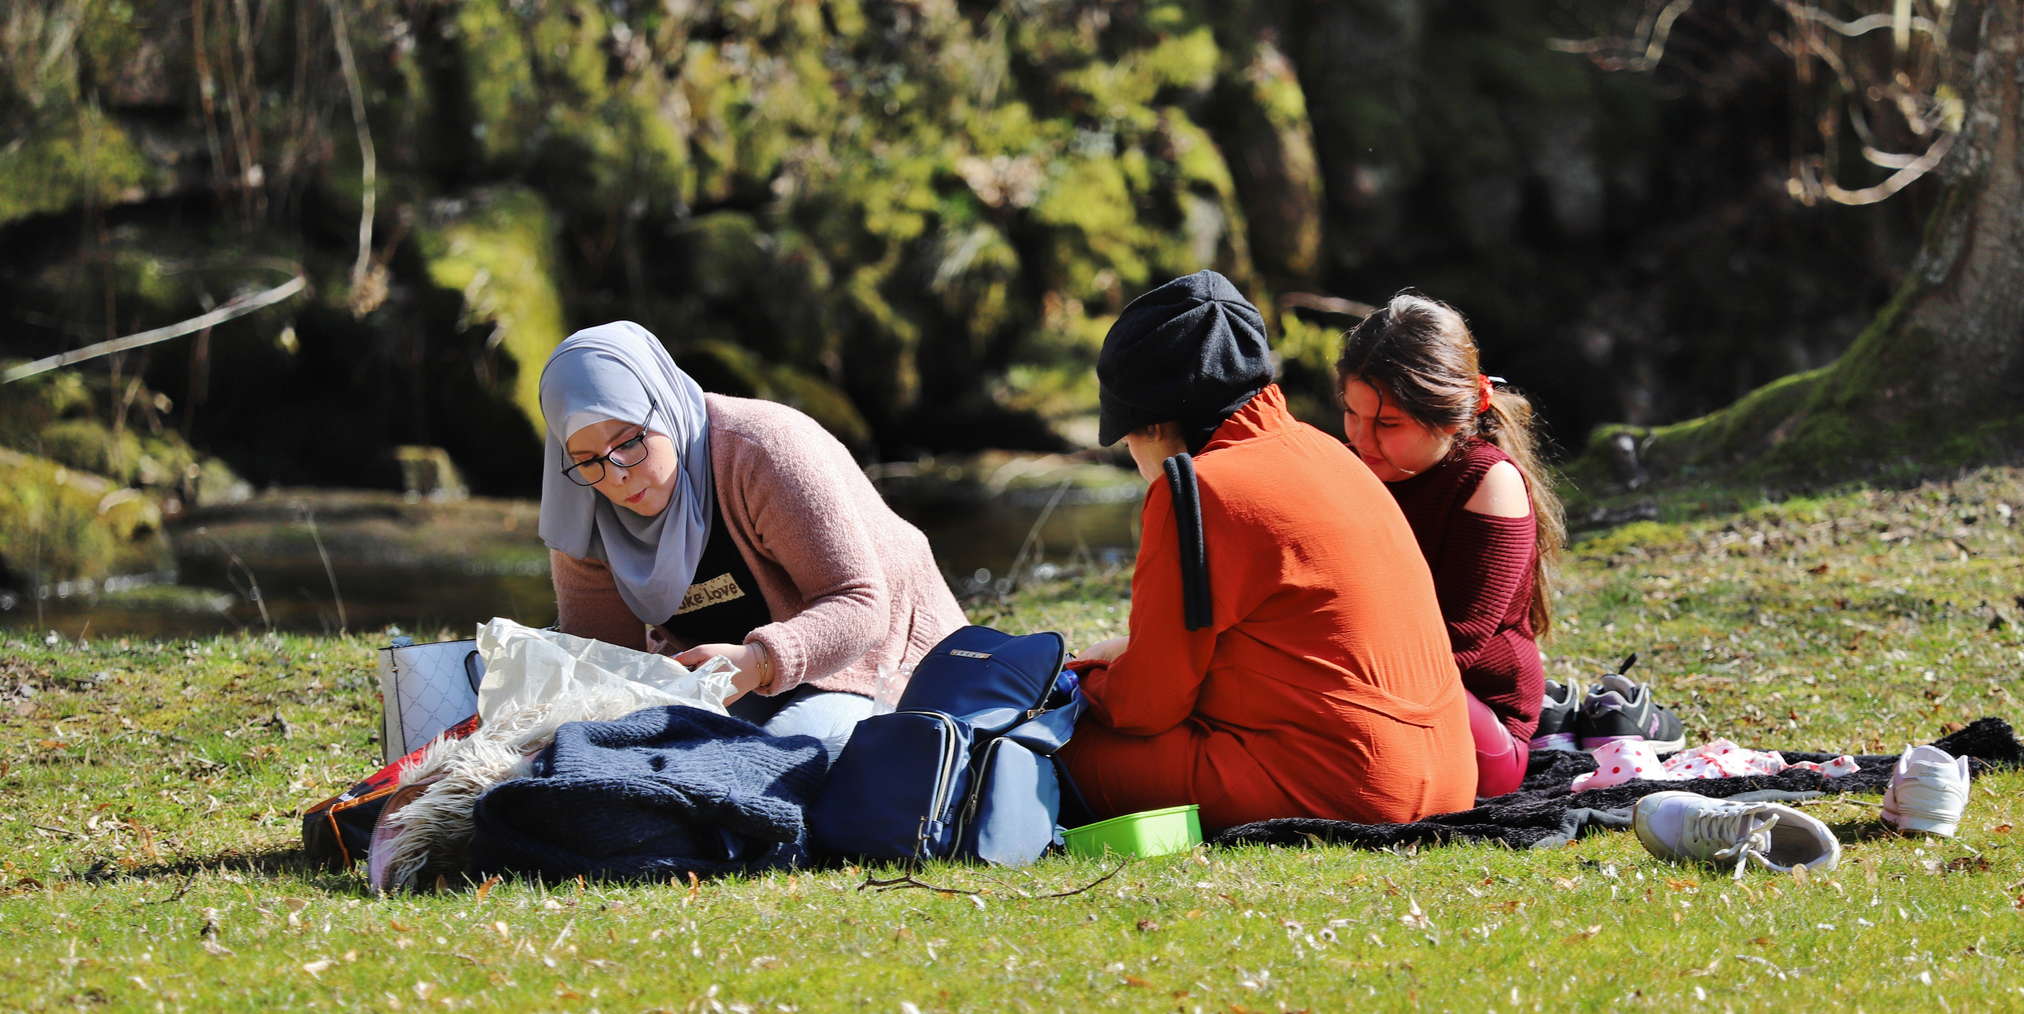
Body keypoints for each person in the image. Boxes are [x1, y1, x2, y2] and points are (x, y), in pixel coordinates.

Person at [1057, 271, 1478, 831]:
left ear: (1152, 423)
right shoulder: (1329, 452)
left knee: (1055, 744)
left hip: (1352, 790)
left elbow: (1144, 706)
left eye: (1127, 438)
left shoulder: (1193, 489)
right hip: (1451, 775)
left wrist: (1084, 673)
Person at [537, 321, 969, 761]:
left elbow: (860, 605)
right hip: (734, 680)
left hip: (877, 658)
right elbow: (607, 669)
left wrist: (760, 660)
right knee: (659, 756)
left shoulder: (762, 451)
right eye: (587, 460)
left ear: (661, 405)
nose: (617, 475)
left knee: (777, 758)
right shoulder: (584, 515)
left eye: (627, 442)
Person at [1334, 291, 1566, 798]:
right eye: (1353, 414)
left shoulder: (1488, 484)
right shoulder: (1351, 469)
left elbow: (1450, 649)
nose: (1363, 439)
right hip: (1376, 687)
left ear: (1452, 414)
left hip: (1476, 727)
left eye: (1388, 424)